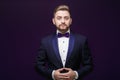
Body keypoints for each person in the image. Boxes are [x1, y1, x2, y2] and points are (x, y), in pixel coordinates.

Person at [35, 5, 93, 80]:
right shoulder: (45, 42)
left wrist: (76, 74)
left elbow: (89, 65)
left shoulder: (81, 40)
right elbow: (38, 65)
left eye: (66, 18)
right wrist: (52, 74)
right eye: (59, 18)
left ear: (71, 21)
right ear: (53, 21)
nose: (63, 21)